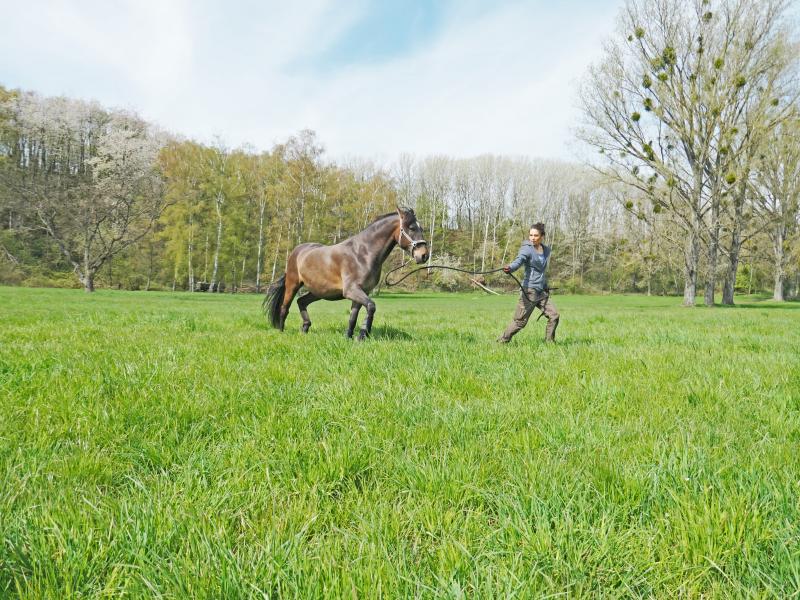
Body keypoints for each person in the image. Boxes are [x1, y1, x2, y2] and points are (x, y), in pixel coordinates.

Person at [497, 222, 559, 343]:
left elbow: (541, 271)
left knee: (554, 315)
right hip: (529, 291)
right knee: (520, 322)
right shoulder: (526, 249)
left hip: (541, 291)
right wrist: (510, 267)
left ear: (542, 236)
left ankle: (550, 342)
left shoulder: (546, 250)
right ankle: (502, 341)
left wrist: (545, 286)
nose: (532, 238)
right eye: (530, 235)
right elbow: (518, 261)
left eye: (536, 235)